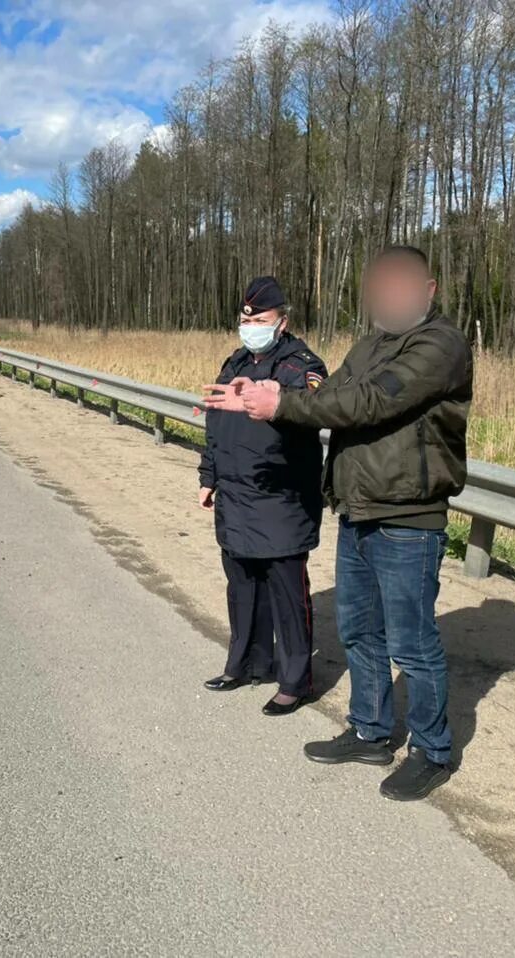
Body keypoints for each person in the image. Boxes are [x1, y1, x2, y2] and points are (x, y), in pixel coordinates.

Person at [203, 245, 473, 801]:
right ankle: (370, 731)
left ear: (428, 289)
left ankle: (431, 749)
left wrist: (280, 403)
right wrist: (272, 398)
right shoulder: (371, 343)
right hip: (359, 507)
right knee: (359, 632)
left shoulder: (440, 344)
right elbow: (338, 396)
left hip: (408, 515)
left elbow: (366, 402)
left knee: (412, 643)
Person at [199, 276, 328, 715]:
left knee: (288, 596)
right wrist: (208, 475)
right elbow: (214, 426)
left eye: (261, 318)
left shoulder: (298, 364)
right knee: (243, 588)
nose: (250, 324)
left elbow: (318, 402)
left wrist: (279, 396)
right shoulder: (234, 363)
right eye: (245, 318)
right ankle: (248, 663)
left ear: (282, 322)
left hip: (282, 501)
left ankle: (295, 681)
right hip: (235, 495)